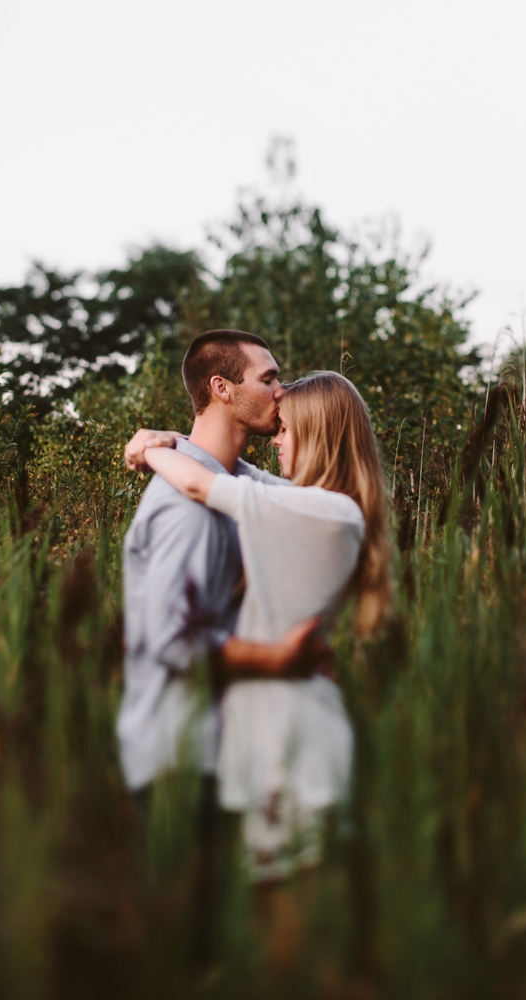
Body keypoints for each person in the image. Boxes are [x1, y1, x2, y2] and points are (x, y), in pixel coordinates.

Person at [125, 370, 392, 971]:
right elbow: (226, 471)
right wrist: (174, 439)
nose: (275, 439)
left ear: (318, 436)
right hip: (272, 742)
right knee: (282, 951)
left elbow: (199, 483)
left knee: (302, 954)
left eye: (288, 429)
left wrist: (148, 450)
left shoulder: (321, 512)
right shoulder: (305, 505)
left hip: (294, 743)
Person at [117, 329, 326, 971]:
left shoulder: (229, 482)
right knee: (184, 956)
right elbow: (169, 643)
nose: (279, 389)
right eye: (268, 378)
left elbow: (281, 495)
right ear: (221, 388)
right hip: (179, 755)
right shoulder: (185, 511)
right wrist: (278, 661)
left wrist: (163, 444)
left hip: (222, 752)